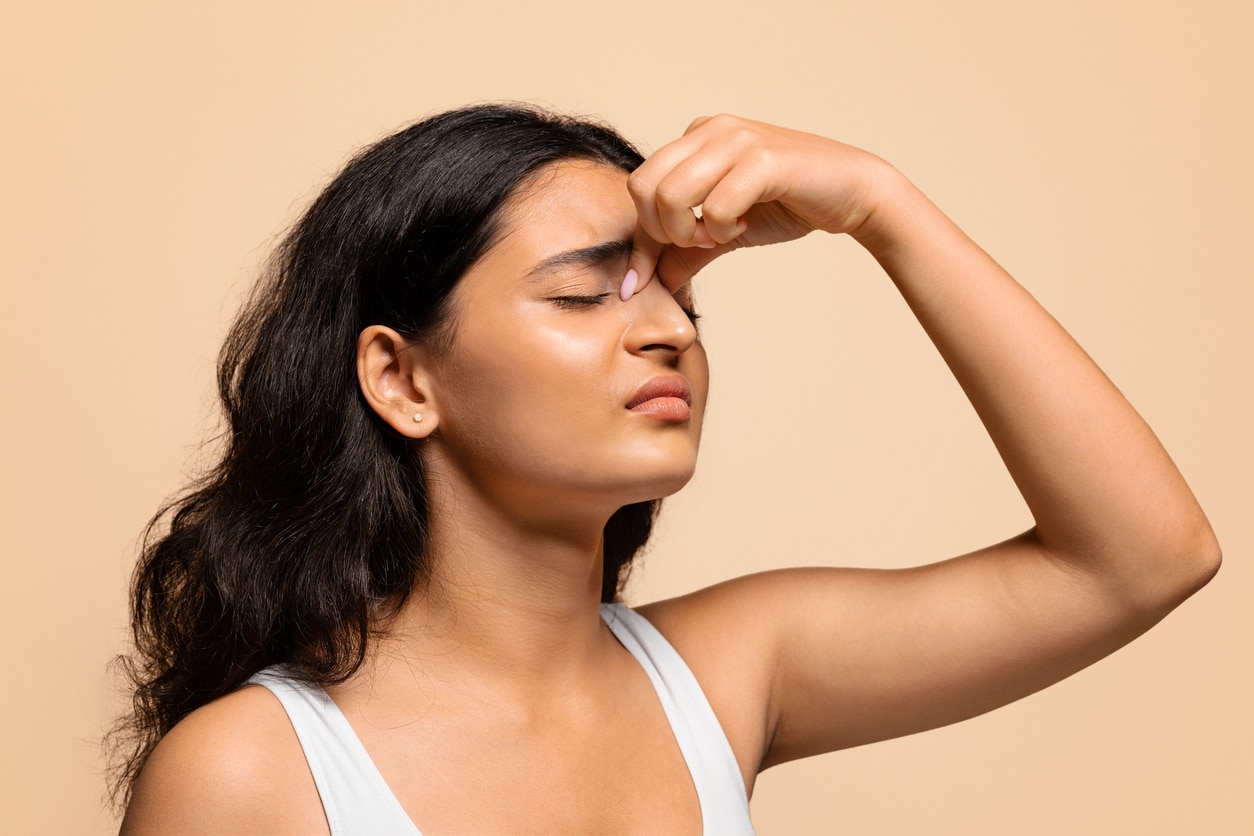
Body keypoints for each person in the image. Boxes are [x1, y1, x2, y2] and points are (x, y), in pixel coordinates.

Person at [113, 103, 1220, 834]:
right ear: (403, 379)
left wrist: (884, 207)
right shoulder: (249, 776)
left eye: (680, 298)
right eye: (585, 292)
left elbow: (1144, 556)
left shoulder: (730, 671)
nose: (670, 334)